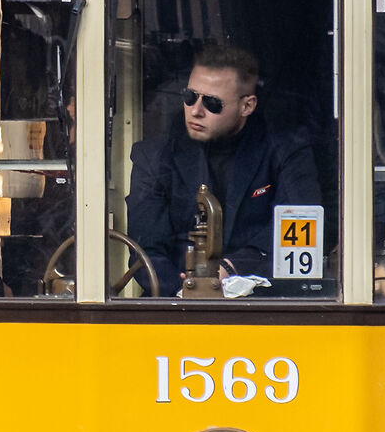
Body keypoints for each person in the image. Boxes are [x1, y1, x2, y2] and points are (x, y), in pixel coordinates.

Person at [127, 43, 324, 296]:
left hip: (267, 308)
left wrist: (232, 268)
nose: (196, 111)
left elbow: (302, 229)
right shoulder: (153, 155)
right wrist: (185, 291)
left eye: (212, 103)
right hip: (174, 310)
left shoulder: (285, 151)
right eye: (189, 96)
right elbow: (146, 251)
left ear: (247, 106)